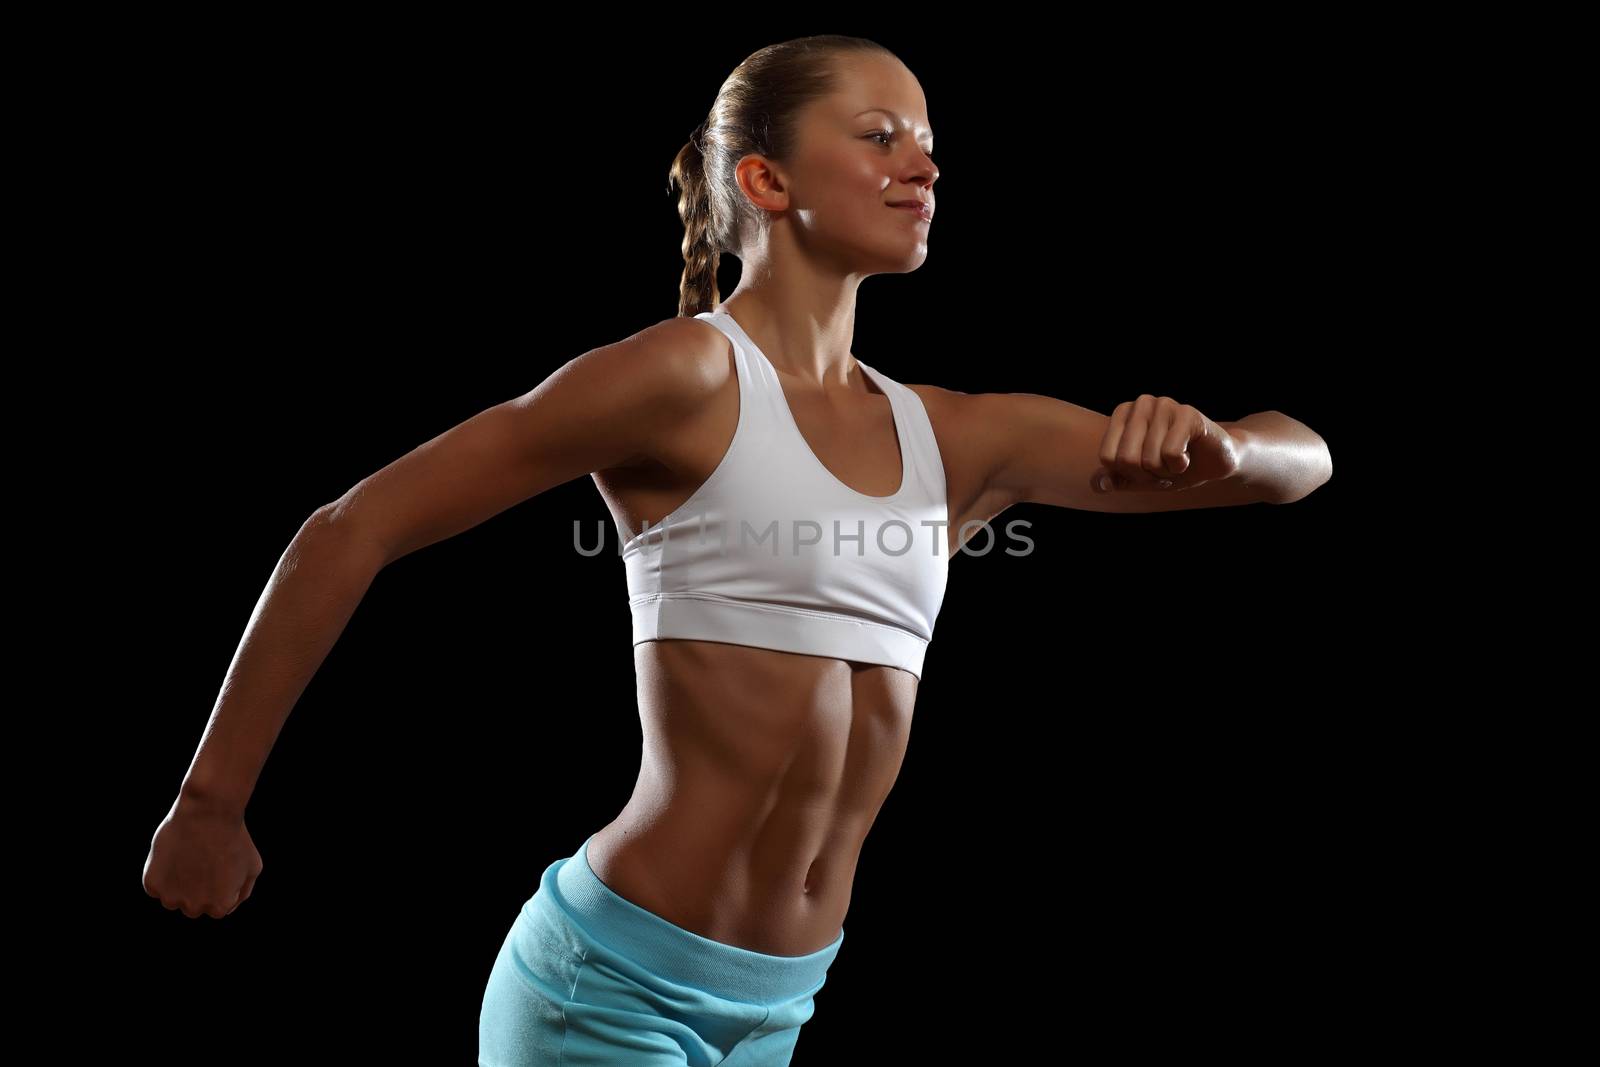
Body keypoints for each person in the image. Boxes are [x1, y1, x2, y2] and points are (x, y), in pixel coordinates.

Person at [141, 33, 1333, 1067]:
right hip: (608, 987)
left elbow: (1303, 459)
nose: (921, 164)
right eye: (877, 135)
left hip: (780, 999)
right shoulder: (683, 378)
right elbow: (353, 527)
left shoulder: (957, 434)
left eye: (924, 138)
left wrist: (1224, 449)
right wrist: (211, 800)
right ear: (765, 178)